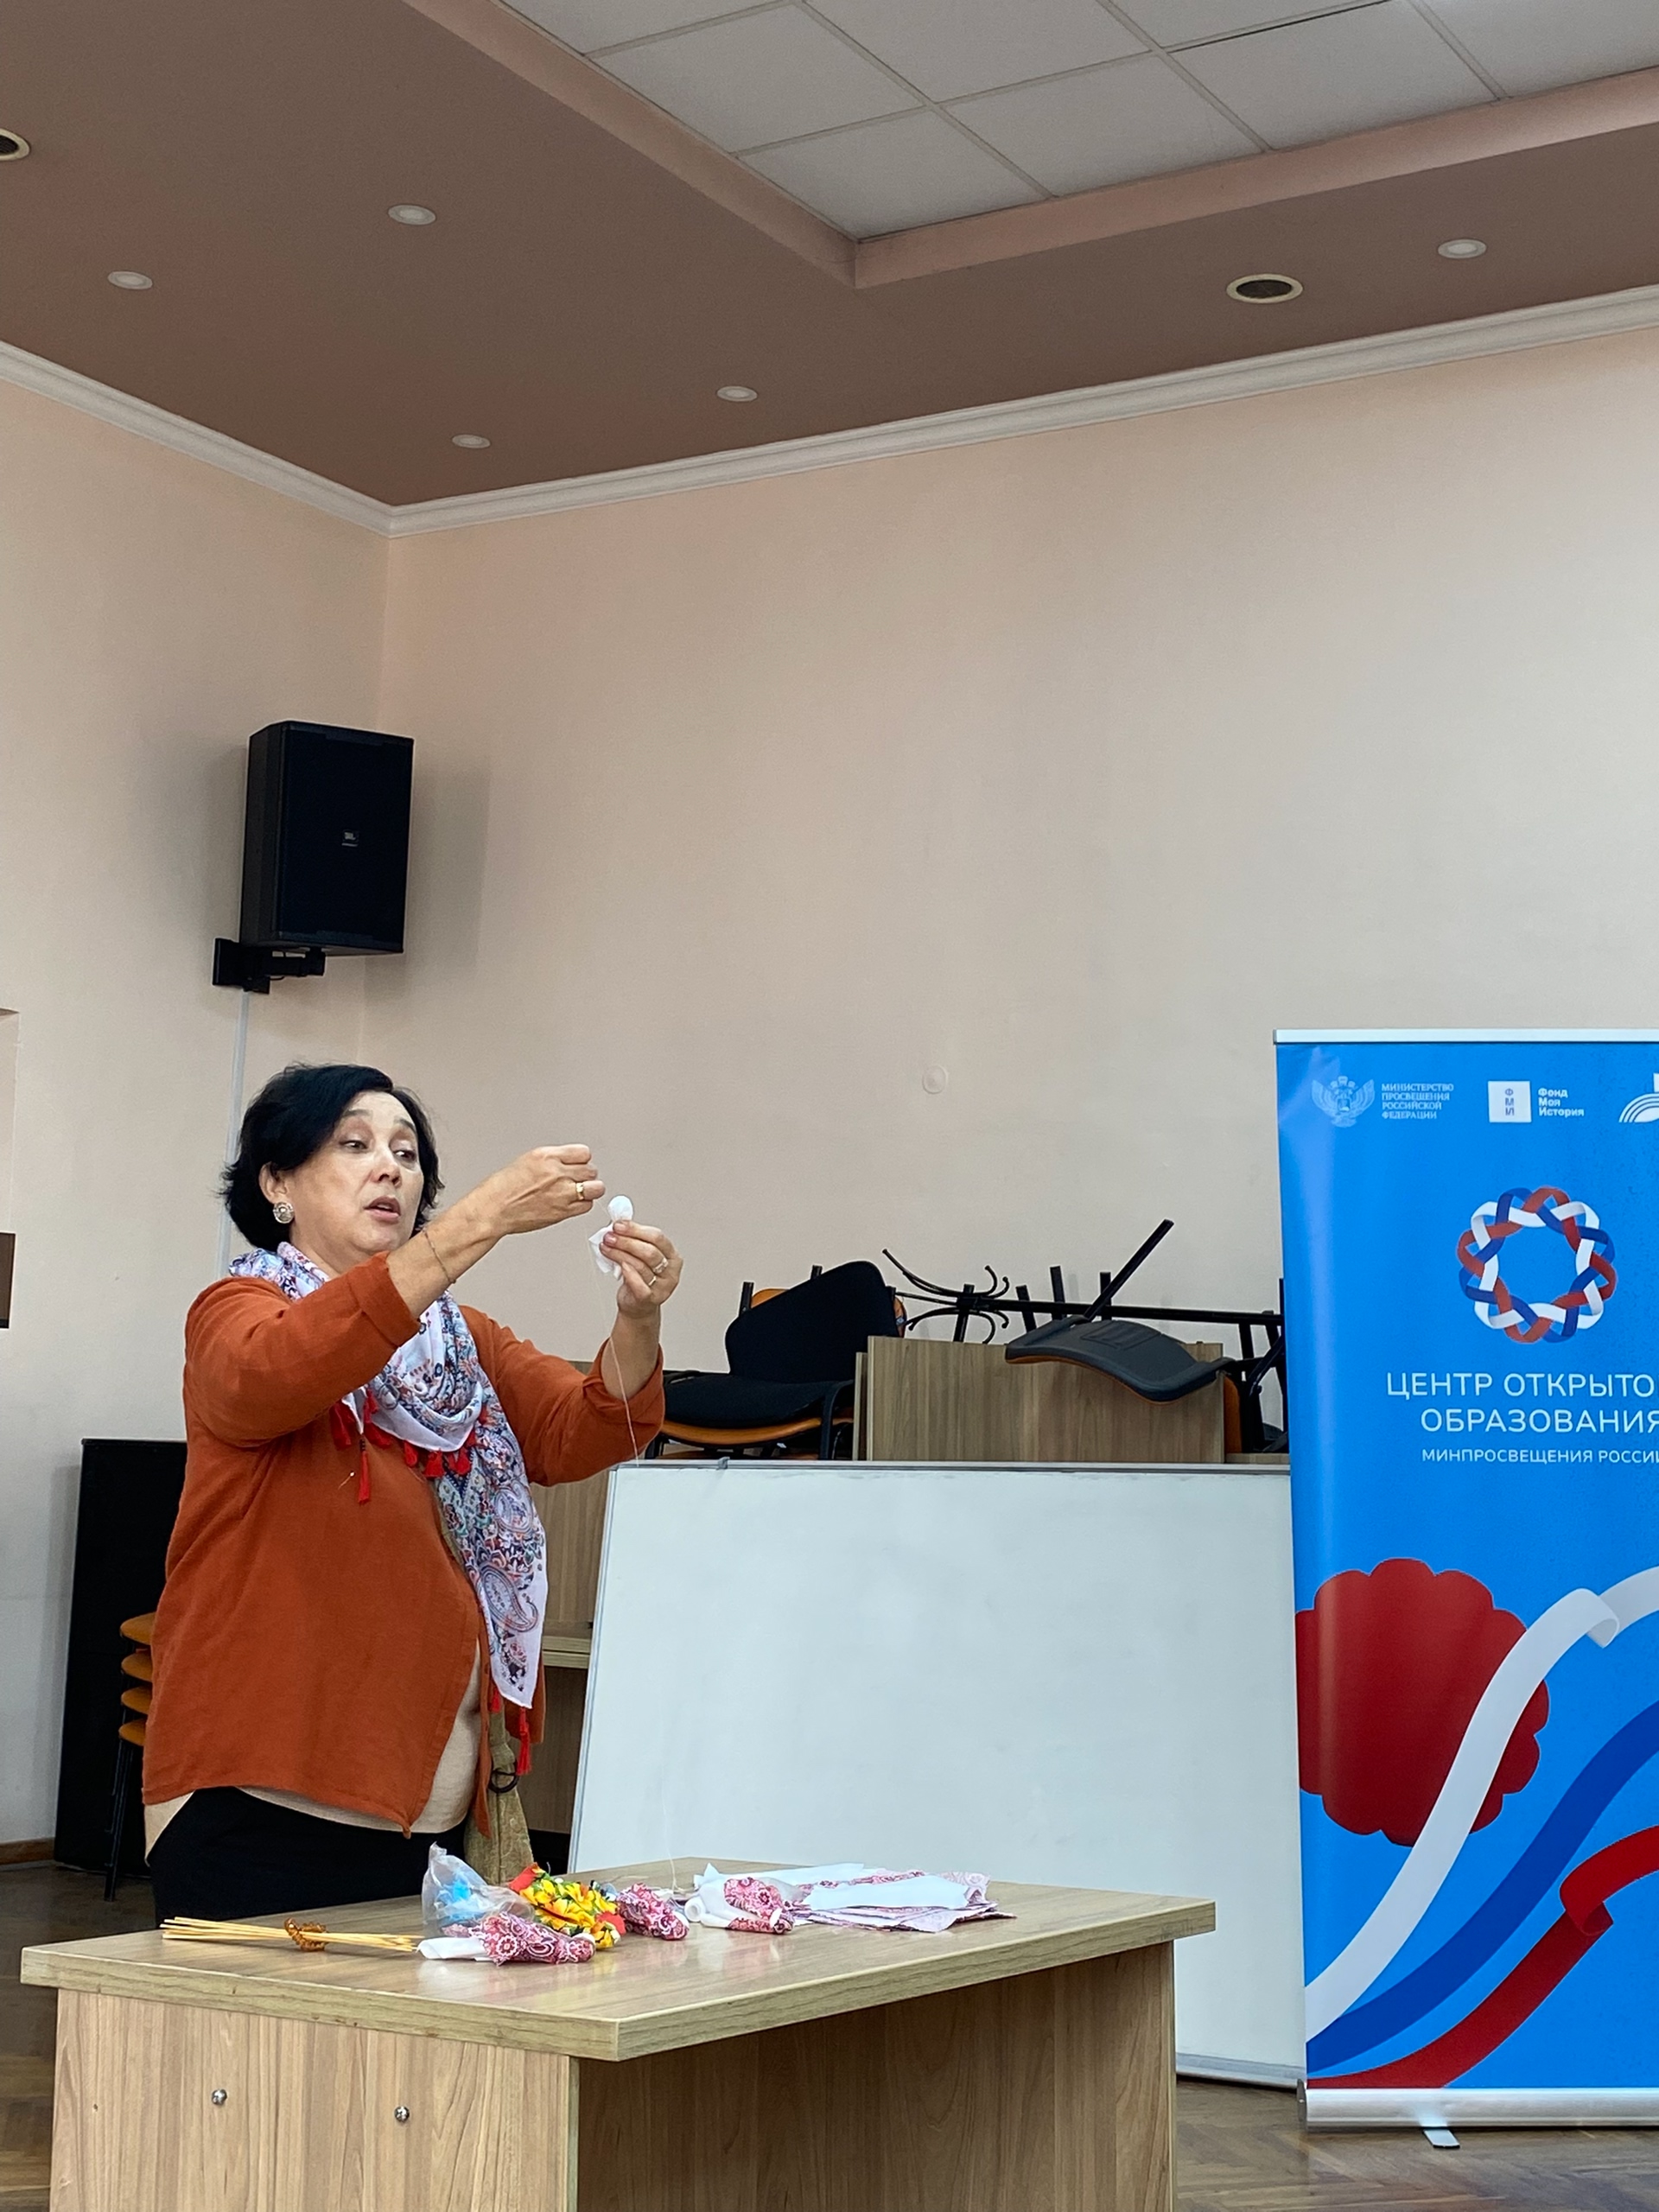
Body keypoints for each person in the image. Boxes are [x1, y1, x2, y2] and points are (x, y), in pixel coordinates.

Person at [144, 1061, 678, 1923]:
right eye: (355, 1145)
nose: (389, 1168)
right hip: (261, 1805)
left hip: (432, 1819)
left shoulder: (458, 1343)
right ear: (277, 1183)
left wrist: (638, 1317)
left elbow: (586, 1430)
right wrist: (484, 1217)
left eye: (406, 1152)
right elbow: (286, 1369)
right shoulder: (236, 1310)